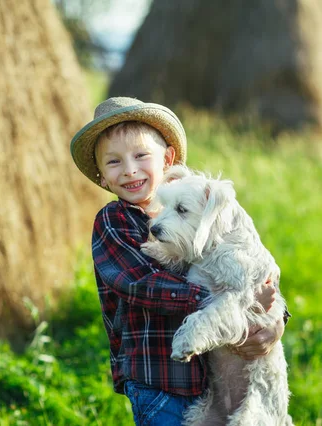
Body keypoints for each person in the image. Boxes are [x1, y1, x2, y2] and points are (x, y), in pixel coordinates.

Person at [70, 97, 287, 426]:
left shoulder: (193, 215)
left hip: (204, 386)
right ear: (102, 176)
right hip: (158, 384)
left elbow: (249, 272)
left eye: (141, 156)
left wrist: (274, 320)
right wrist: (227, 303)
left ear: (167, 160)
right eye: (114, 162)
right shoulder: (114, 221)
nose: (129, 169)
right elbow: (142, 284)